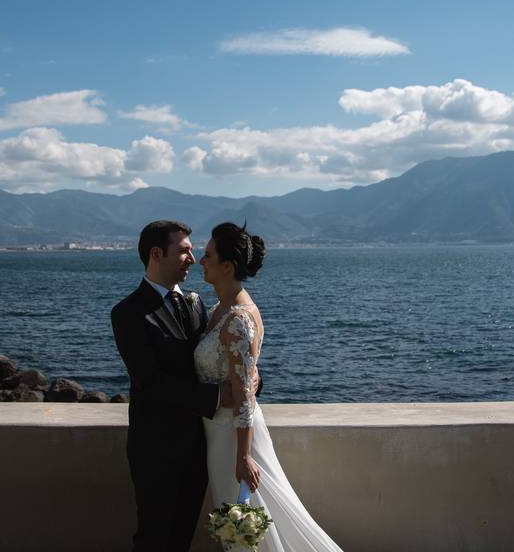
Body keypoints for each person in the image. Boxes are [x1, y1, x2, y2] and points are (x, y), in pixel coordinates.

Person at [196, 222, 344, 551]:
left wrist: (245, 456)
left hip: (233, 441)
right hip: (217, 436)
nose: (199, 261)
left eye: (207, 256)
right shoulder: (219, 310)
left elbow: (245, 394)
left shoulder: (237, 318)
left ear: (227, 266)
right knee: (239, 529)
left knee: (250, 528)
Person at [111, 220, 233, 552]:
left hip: (197, 450)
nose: (193, 260)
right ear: (156, 254)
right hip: (156, 451)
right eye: (184, 251)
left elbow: (213, 359)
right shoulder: (128, 313)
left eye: (193, 252)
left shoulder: (195, 303)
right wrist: (220, 397)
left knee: (181, 539)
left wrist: (249, 381)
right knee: (154, 539)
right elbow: (150, 382)